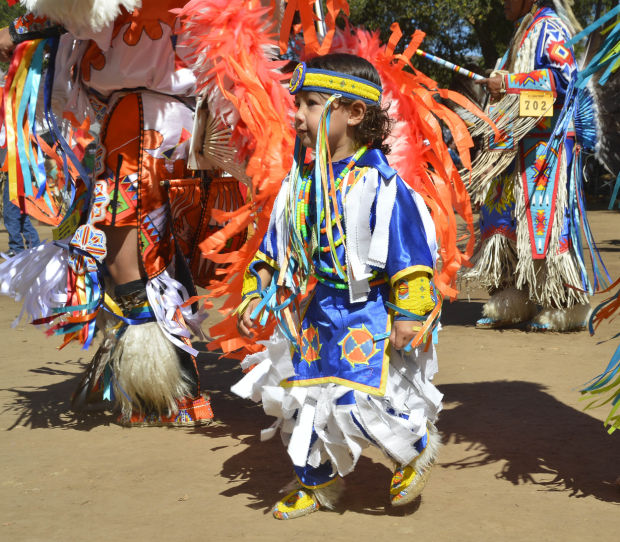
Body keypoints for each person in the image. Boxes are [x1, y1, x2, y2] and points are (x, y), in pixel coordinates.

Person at [232, 53, 442, 519]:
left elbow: (409, 251)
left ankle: (413, 449)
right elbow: (276, 245)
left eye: (310, 103)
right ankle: (315, 482)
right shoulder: (300, 182)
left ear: (354, 113)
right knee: (305, 400)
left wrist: (410, 312)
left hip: (366, 310)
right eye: (298, 103)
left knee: (360, 398)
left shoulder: (382, 183)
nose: (298, 115)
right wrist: (256, 287)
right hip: (317, 310)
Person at [0, 1, 216, 426]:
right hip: (176, 122)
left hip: (139, 125)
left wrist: (19, 29)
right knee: (159, 257)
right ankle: (177, 388)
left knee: (128, 265)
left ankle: (161, 394)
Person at [466, 0, 592, 331]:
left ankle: (562, 302)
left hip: (544, 144)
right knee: (504, 217)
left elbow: (564, 79)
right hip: (515, 144)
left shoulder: (549, 27)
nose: (501, 3)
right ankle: (515, 295)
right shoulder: (523, 31)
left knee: (544, 222)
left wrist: (508, 83)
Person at [2, 171, 40, 257]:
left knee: (11, 213)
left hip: (15, 173)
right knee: (21, 215)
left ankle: (16, 248)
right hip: (21, 173)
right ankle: (34, 246)